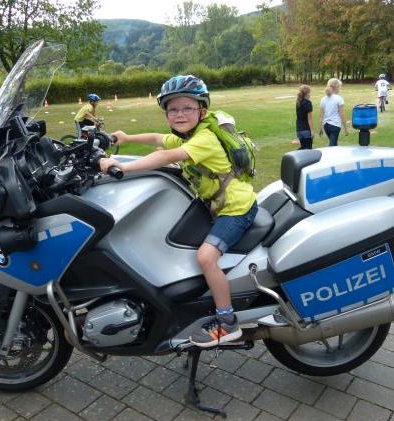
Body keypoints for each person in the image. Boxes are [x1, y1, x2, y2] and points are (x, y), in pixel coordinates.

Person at [100, 75, 257, 348]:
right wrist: (126, 137)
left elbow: (164, 156)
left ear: (202, 111)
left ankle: (227, 323)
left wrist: (122, 167)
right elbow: (159, 139)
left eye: (187, 108)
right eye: (173, 109)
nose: (180, 114)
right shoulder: (189, 135)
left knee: (206, 258)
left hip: (236, 209)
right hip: (216, 205)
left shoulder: (205, 139)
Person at [319, 78, 348, 146]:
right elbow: (341, 114)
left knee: (334, 143)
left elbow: (321, 115)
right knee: (332, 145)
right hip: (335, 125)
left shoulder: (323, 99)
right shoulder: (339, 98)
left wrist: (321, 128)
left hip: (326, 125)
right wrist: (345, 128)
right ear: (337, 87)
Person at [296, 85, 314, 149]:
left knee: (303, 148)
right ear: (307, 93)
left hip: (299, 130)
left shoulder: (298, 101)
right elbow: (309, 119)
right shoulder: (308, 103)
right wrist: (312, 131)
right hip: (306, 130)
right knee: (308, 149)